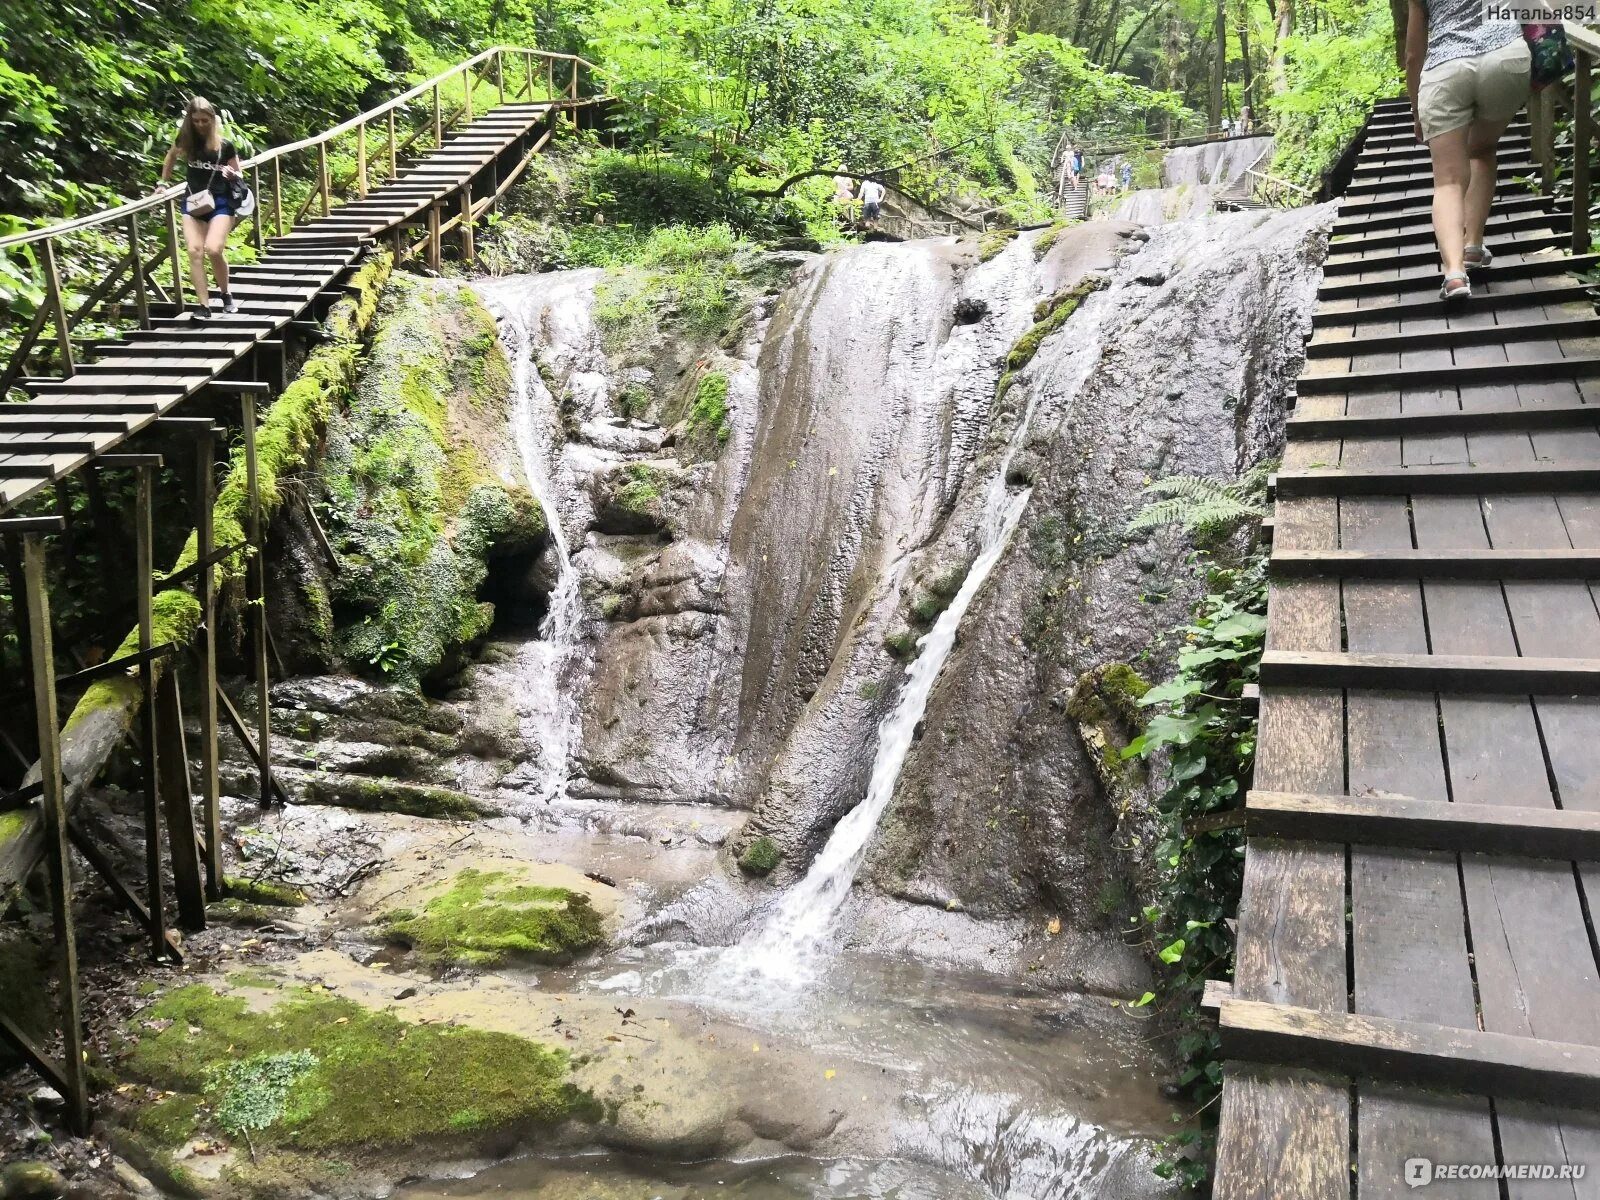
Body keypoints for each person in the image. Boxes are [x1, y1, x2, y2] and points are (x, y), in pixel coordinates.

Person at [1406, 0, 1531, 300]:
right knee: (1482, 149)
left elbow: (1412, 54)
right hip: (1505, 59)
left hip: (1446, 69)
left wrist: (1415, 109)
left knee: (1448, 181)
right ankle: (1473, 244)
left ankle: (1454, 274)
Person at [153, 97, 244, 318]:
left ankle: (226, 294)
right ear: (190, 121)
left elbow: (239, 172)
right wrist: (163, 184)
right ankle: (204, 307)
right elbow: (170, 157)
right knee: (194, 251)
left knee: (213, 249)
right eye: (196, 121)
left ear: (212, 120)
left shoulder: (224, 146)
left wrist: (231, 174)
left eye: (204, 120)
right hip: (193, 201)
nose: (201, 125)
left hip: (221, 201)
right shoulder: (185, 141)